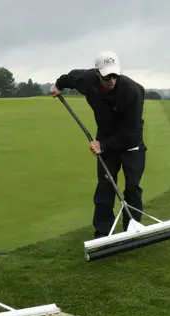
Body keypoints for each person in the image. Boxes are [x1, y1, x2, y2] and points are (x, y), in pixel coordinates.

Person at [49, 51, 147, 239]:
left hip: (131, 144)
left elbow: (130, 131)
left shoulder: (132, 91)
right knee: (105, 186)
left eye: (115, 75)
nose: (111, 80)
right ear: (97, 74)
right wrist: (58, 85)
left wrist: (103, 145)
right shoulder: (87, 80)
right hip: (105, 140)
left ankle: (132, 230)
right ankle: (103, 233)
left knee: (132, 187)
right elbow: (69, 78)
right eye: (106, 76)